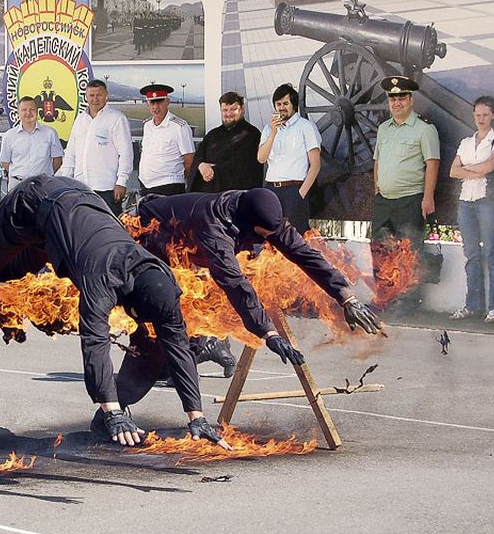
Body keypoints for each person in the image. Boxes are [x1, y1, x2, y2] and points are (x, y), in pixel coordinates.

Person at [0, 175, 230, 449]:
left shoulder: (162, 281)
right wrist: (112, 411)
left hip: (68, 219)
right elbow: (95, 342)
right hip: (32, 203)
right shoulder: (102, 276)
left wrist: (197, 416)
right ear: (130, 305)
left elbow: (177, 346)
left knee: (9, 275)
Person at [130, 188, 382, 378]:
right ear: (248, 223)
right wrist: (267, 332)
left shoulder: (266, 218)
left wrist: (345, 296)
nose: (270, 240)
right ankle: (133, 382)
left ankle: (205, 346)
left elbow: (306, 255)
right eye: (264, 235)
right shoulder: (215, 228)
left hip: (190, 249)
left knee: (200, 299)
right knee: (161, 309)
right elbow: (234, 283)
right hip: (148, 237)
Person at [372, 76, 440, 314]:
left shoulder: (424, 129)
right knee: (381, 251)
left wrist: (428, 197)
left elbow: (432, 164)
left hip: (410, 200)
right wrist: (378, 187)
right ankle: (384, 299)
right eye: (393, 98)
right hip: (384, 201)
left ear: (411, 100)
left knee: (408, 253)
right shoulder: (383, 129)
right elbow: (377, 161)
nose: (397, 102)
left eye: (401, 97)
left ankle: (408, 304)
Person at [448, 96, 494, 323]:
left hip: (488, 200)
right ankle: (473, 305)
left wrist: (467, 169)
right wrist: (476, 170)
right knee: (471, 255)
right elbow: (453, 171)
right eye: (477, 115)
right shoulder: (466, 142)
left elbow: (491, 166)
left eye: (485, 115)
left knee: (491, 253)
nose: (480, 119)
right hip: (466, 202)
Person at [57, 79, 133, 215]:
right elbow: (71, 153)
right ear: (86, 97)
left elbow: (126, 153)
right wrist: (66, 181)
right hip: (80, 187)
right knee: (83, 228)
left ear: (106, 95)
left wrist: (121, 181)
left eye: (99, 95)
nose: (95, 99)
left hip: (106, 189)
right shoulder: (80, 119)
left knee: (110, 229)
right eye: (91, 95)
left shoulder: (117, 119)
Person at [258, 83, 321, 234]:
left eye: (285, 103)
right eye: (278, 104)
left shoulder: (306, 127)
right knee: (270, 238)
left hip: (294, 189)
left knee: (295, 239)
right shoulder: (268, 129)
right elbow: (261, 158)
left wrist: (301, 193)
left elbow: (316, 165)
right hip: (271, 189)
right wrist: (273, 133)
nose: (281, 108)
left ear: (293, 105)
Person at [188, 91, 263, 193]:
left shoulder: (252, 134)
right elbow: (199, 156)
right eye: (225, 110)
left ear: (242, 109)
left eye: (233, 109)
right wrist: (201, 166)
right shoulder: (213, 134)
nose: (228, 114)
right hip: (208, 196)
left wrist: (213, 170)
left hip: (235, 198)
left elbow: (245, 166)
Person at [137, 84, 194, 196]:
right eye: (152, 103)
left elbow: (189, 160)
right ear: (147, 104)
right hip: (146, 185)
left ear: (167, 102)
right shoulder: (147, 125)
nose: (155, 107)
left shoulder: (179, 126)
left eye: (159, 102)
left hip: (169, 187)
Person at [0, 96, 63, 183]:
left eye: (32, 109)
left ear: (37, 111)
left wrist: (46, 177)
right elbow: (5, 162)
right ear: (18, 112)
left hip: (43, 184)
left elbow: (57, 160)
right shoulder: (9, 136)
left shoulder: (50, 133)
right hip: (17, 185)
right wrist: (20, 176)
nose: (28, 113)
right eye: (24, 110)